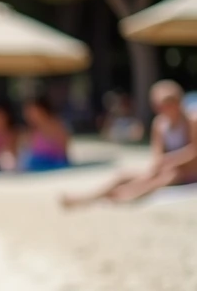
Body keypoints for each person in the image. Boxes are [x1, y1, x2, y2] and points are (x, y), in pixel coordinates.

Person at [63, 80, 197, 209]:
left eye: (167, 103)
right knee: (125, 176)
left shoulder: (191, 121)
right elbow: (158, 152)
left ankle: (127, 195)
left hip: (186, 171)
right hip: (166, 167)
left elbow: (193, 151)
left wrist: (169, 161)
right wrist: (159, 165)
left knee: (167, 177)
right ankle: (87, 198)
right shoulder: (160, 123)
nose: (162, 108)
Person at [19, 94, 71, 172]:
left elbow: (63, 152)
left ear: (42, 110)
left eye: (32, 111)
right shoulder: (30, 131)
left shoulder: (57, 126)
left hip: (54, 165)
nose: (29, 115)